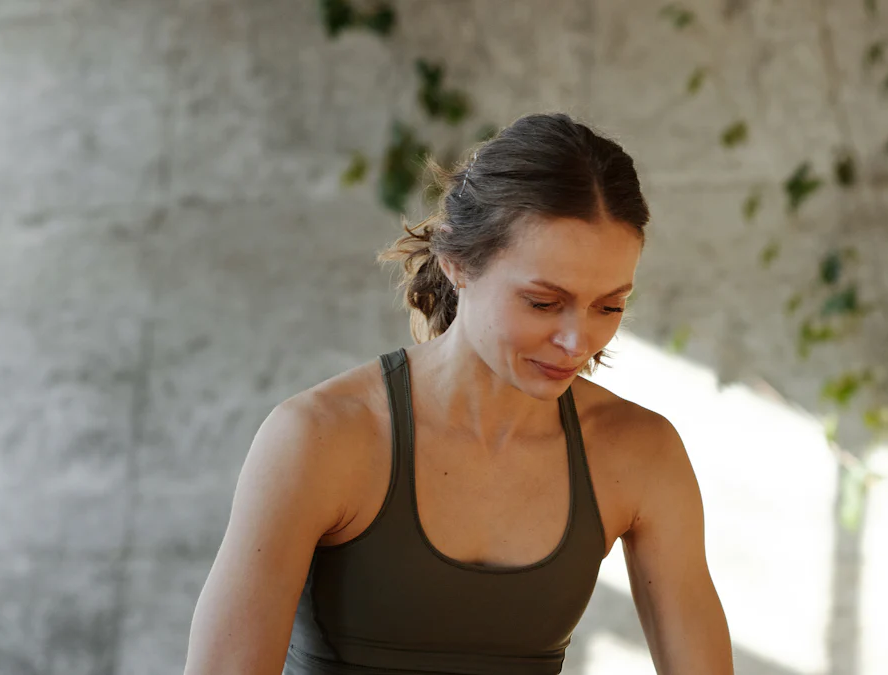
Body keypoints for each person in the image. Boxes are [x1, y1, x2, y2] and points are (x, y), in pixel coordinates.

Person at [184, 112, 733, 674]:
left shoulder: (641, 454)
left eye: (609, 306)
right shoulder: (322, 437)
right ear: (456, 262)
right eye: (543, 302)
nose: (576, 340)